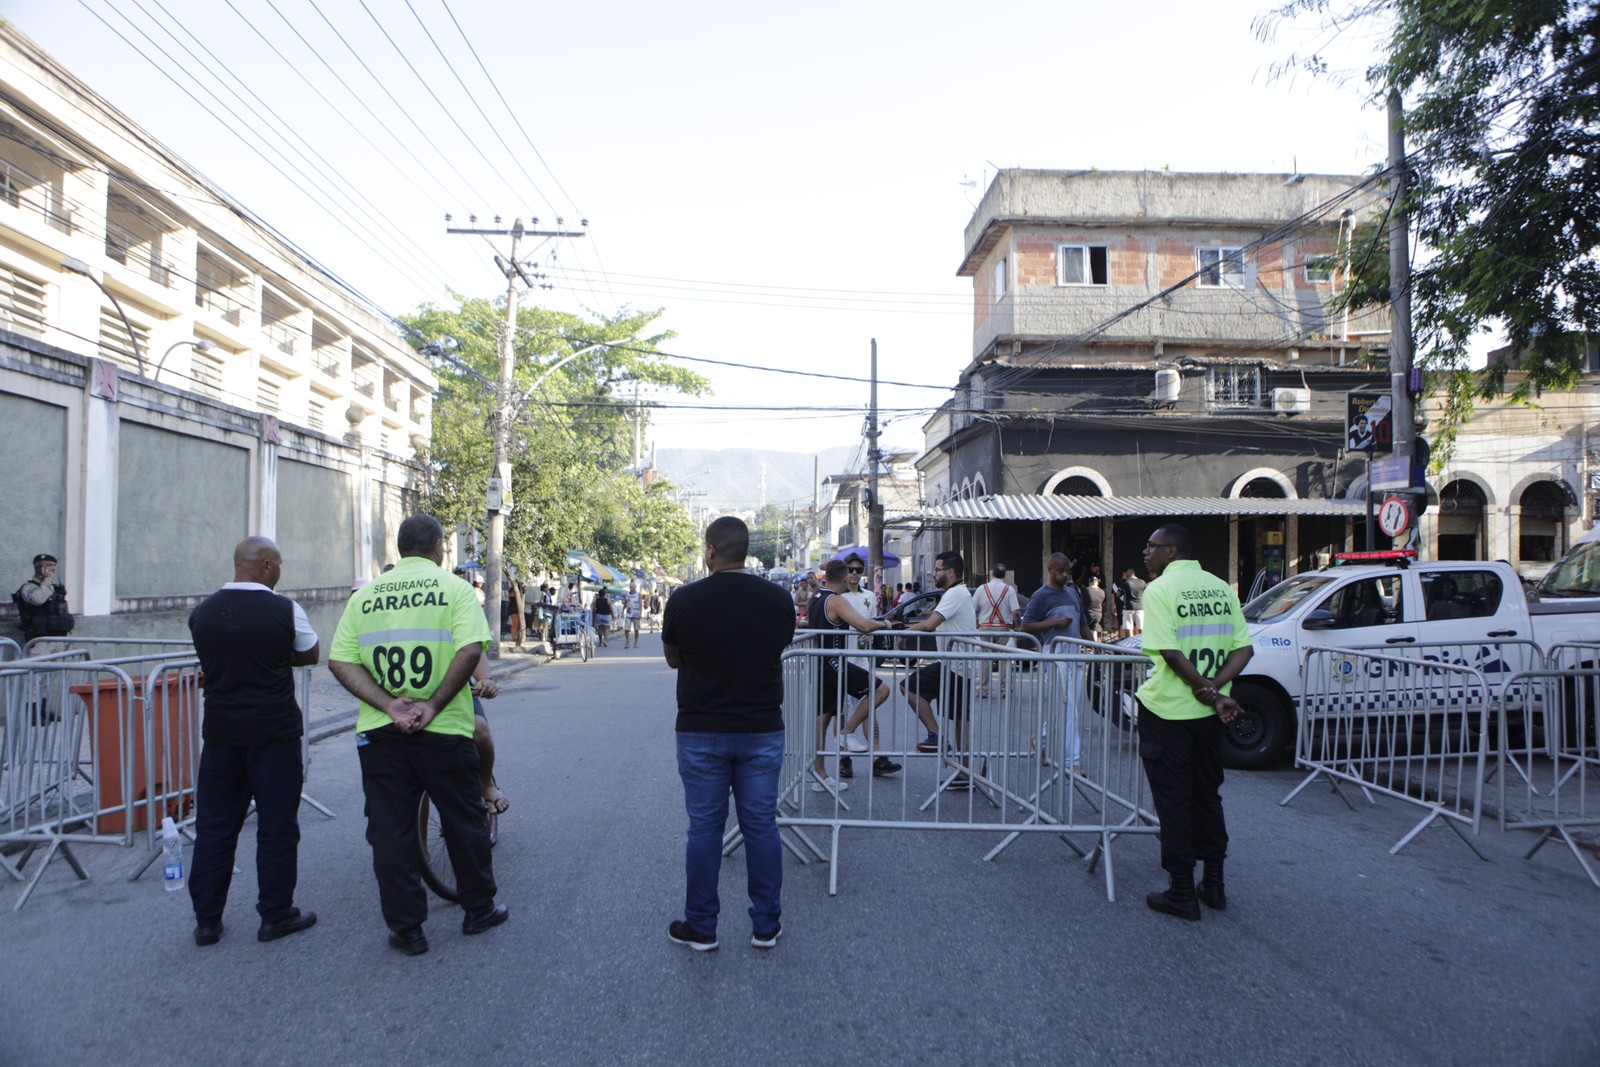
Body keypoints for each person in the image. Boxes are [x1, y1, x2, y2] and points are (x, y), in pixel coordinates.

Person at [328, 514, 506, 956]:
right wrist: (432, 706)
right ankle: (478, 910)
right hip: (443, 730)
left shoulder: (365, 597)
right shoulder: (456, 590)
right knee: (464, 821)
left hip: (382, 733)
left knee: (391, 832)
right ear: (439, 547)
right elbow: (469, 651)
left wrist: (389, 705)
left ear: (400, 548)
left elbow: (340, 661)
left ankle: (407, 930)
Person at [663, 517, 794, 952]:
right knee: (761, 826)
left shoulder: (683, 600)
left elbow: (673, 660)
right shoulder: (778, 599)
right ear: (746, 550)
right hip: (760, 729)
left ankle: (702, 928)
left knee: (704, 829)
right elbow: (777, 648)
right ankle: (766, 926)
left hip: (701, 730)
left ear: (711, 551)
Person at [186, 536, 320, 948]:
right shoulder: (283, 609)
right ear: (264, 566)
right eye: (277, 565)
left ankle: (207, 921)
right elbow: (310, 653)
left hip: (222, 734)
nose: (280, 572)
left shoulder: (202, 614)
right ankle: (275, 915)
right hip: (273, 733)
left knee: (215, 827)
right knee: (277, 826)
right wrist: (279, 657)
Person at [1137, 524, 1251, 921]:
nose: (1146, 552)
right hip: (1209, 716)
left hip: (1168, 711)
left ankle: (1182, 891)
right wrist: (1217, 690)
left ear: (1171, 552)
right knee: (1207, 796)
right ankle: (1214, 884)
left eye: (1152, 547)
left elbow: (1169, 653)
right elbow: (1244, 648)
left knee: (1173, 801)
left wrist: (1206, 689)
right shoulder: (1221, 587)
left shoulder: (1160, 590)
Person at [807, 559, 899, 792]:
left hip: (820, 663)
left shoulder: (816, 597)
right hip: (833, 662)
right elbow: (864, 625)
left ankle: (820, 774)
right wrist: (887, 624)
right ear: (846, 577)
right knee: (881, 690)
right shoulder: (836, 600)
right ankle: (847, 732)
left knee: (824, 717)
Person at [900, 551, 978, 782]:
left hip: (955, 665)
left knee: (909, 686)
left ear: (950, 572)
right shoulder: (956, 593)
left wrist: (903, 632)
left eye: (937, 569)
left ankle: (936, 736)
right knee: (960, 718)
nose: (934, 573)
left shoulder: (955, 593)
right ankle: (964, 772)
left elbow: (930, 625)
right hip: (957, 664)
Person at [1017, 553, 1091, 767]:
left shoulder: (1072, 593)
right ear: (1050, 570)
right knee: (1069, 709)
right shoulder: (1041, 596)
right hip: (1056, 654)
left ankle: (1039, 740)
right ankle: (1072, 761)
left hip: (1075, 653)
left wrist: (1096, 648)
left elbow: (1083, 623)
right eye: (1061, 571)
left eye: (1068, 571)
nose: (1065, 575)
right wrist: (1054, 622)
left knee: (1069, 707)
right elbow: (1025, 626)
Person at [975, 564, 1020, 696]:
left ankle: (984, 690)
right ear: (1004, 575)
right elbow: (1016, 612)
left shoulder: (982, 589)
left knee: (985, 658)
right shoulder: (1009, 590)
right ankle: (1004, 690)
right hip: (1003, 627)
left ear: (992, 574)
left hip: (985, 627)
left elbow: (971, 609)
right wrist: (1018, 626)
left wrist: (975, 624)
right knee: (1004, 658)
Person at [13, 553, 74, 644]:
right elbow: (38, 599)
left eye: (54, 565)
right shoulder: (29, 587)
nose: (52, 568)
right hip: (39, 639)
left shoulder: (53, 588)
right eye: (49, 565)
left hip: (59, 638)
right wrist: (47, 580)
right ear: (38, 567)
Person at [1118, 568, 1147, 638]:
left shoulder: (1126, 582)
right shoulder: (1142, 582)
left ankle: (1131, 645)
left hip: (1129, 607)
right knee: (1141, 627)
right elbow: (1146, 594)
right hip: (1140, 607)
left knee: (1129, 628)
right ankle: (1141, 643)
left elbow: (1118, 594)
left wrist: (1123, 580)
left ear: (1128, 575)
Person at [623, 581, 643, 649]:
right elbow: (625, 603)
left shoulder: (638, 594)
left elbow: (640, 604)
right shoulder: (627, 594)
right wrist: (623, 611)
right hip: (628, 614)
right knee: (626, 629)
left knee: (636, 629)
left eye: (631, 586)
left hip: (636, 614)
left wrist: (640, 613)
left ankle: (635, 643)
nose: (630, 588)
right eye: (629, 586)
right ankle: (627, 643)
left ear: (635, 587)